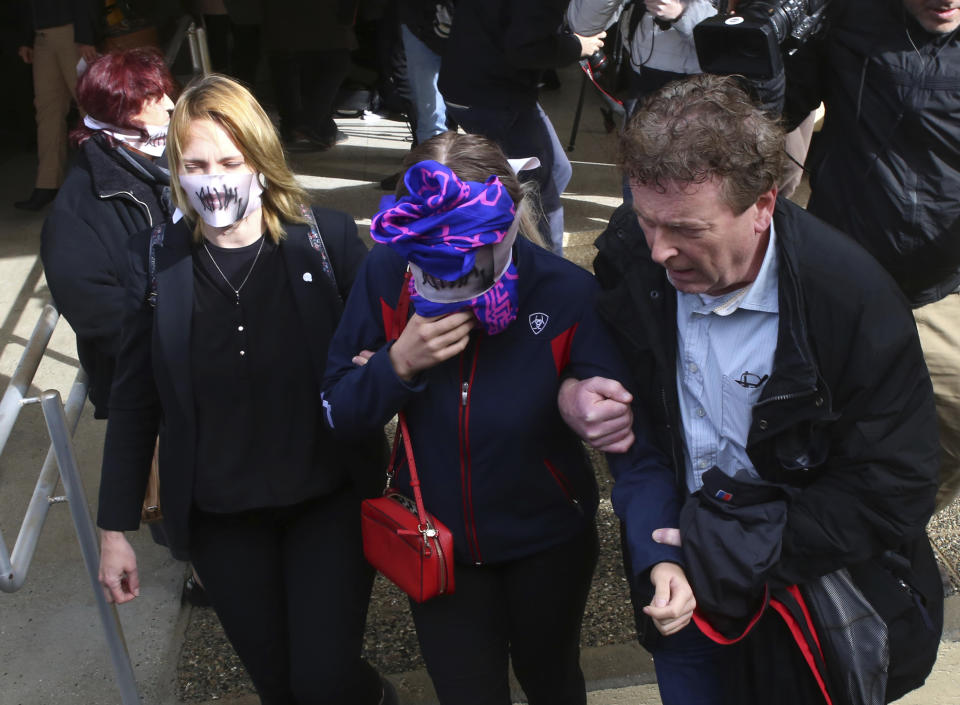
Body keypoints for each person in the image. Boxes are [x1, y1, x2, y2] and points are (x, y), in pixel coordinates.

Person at [559, 74, 943, 705]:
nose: (658, 250)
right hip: (675, 585)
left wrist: (736, 547)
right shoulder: (632, 253)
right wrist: (575, 391)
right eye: (647, 219)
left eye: (685, 228)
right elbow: (641, 425)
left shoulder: (851, 300)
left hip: (798, 600)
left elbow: (894, 488)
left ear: (763, 204)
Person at [322, 131, 691, 705]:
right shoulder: (386, 274)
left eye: (471, 253)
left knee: (553, 682)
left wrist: (585, 401)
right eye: (433, 261)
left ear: (512, 220)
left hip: (547, 540)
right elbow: (340, 412)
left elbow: (626, 438)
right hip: (439, 544)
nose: (453, 275)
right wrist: (398, 364)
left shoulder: (566, 291)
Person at [96, 74, 394, 705]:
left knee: (322, 679)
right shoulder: (154, 260)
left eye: (231, 160)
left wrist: (382, 361)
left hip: (328, 503)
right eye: (196, 163)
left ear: (261, 159)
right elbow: (133, 399)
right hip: (222, 522)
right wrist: (114, 530)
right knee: (279, 686)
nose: (215, 178)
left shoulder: (329, 240)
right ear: (176, 170)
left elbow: (392, 343)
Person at [782, 0, 960, 509]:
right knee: (818, 424)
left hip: (945, 289)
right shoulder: (847, 18)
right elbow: (778, 103)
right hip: (843, 272)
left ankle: (896, 533)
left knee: (945, 430)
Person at [41, 48, 176, 420]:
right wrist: (187, 337)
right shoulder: (78, 205)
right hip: (146, 384)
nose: (170, 105)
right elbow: (95, 309)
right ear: (120, 109)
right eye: (153, 97)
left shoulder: (165, 163)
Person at [437, 1, 606, 255]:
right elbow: (527, 49)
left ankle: (512, 242)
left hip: (480, 86)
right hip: (491, 96)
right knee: (538, 191)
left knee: (557, 171)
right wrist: (578, 46)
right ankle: (545, 274)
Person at [14, 0, 98, 210]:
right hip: (41, 36)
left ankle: (108, 177)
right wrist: (26, 39)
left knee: (89, 106)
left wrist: (86, 36)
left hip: (71, 33)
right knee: (47, 110)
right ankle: (47, 184)